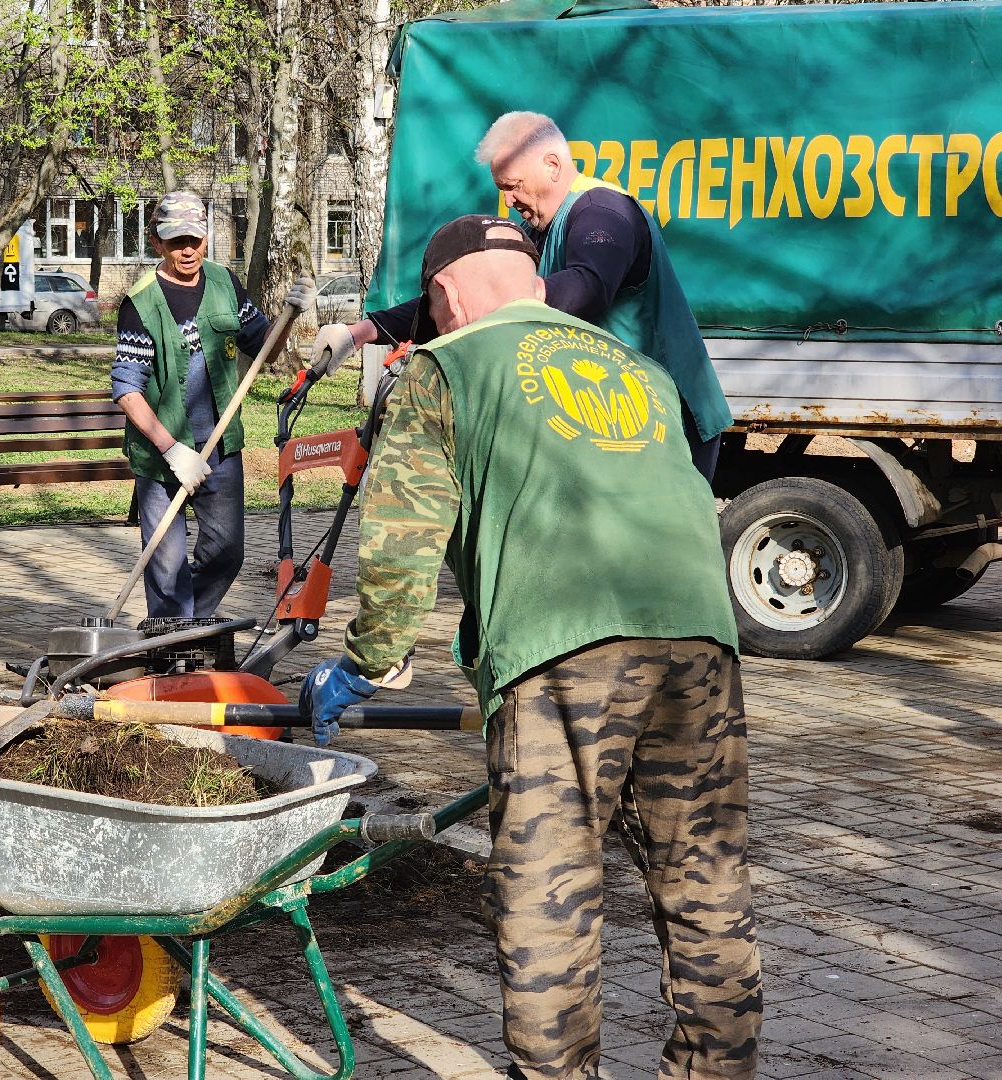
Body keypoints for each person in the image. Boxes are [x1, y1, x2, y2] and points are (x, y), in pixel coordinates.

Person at [301, 215, 762, 1079]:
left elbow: (401, 545)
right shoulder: (638, 369)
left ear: (441, 295)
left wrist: (366, 662)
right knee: (705, 884)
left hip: (562, 648)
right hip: (702, 641)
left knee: (552, 894)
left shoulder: (444, 368)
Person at [313, 111, 731, 479]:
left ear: (552, 164)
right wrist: (359, 333)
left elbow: (589, 287)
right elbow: (457, 299)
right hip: (614, 419)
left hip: (669, 422)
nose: (509, 202)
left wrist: (503, 294)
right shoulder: (538, 232)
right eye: (502, 189)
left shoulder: (603, 212)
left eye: (512, 186)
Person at [111, 190, 313, 619]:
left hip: (220, 449)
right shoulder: (141, 302)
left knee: (227, 552)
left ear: (207, 238)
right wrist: (172, 450)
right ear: (156, 242)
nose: (187, 250)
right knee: (166, 569)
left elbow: (264, 350)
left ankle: (184, 626)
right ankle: (172, 650)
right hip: (162, 453)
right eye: (175, 241)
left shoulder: (224, 283)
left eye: (195, 239)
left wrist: (290, 316)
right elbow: (127, 390)